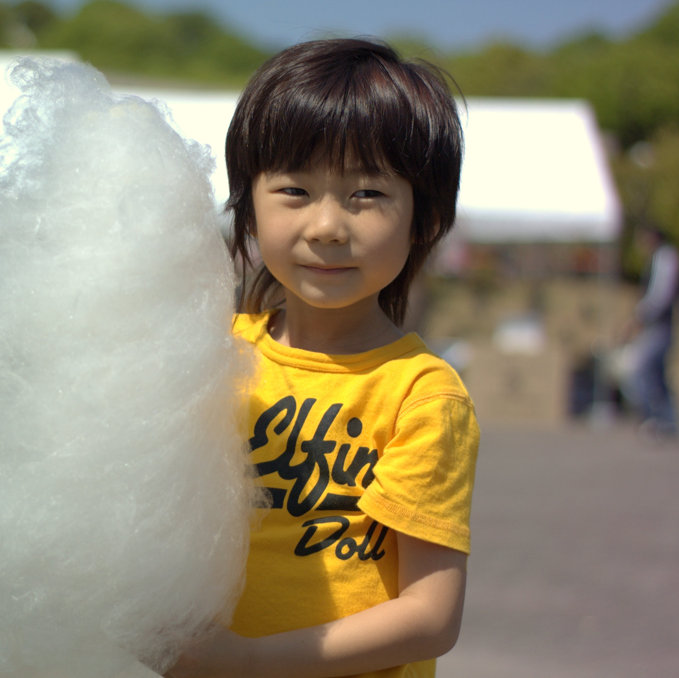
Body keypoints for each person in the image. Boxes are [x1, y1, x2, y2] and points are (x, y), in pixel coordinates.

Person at [170, 39, 480, 678]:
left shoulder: (421, 395)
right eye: (294, 189)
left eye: (368, 193)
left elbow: (431, 614)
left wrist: (251, 661)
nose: (328, 226)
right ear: (248, 208)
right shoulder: (206, 352)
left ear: (424, 219)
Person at [623, 224, 679, 437]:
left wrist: (640, 316)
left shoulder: (665, 257)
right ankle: (668, 419)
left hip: (659, 325)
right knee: (657, 373)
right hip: (657, 324)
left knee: (642, 370)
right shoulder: (661, 258)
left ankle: (656, 418)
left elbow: (660, 295)